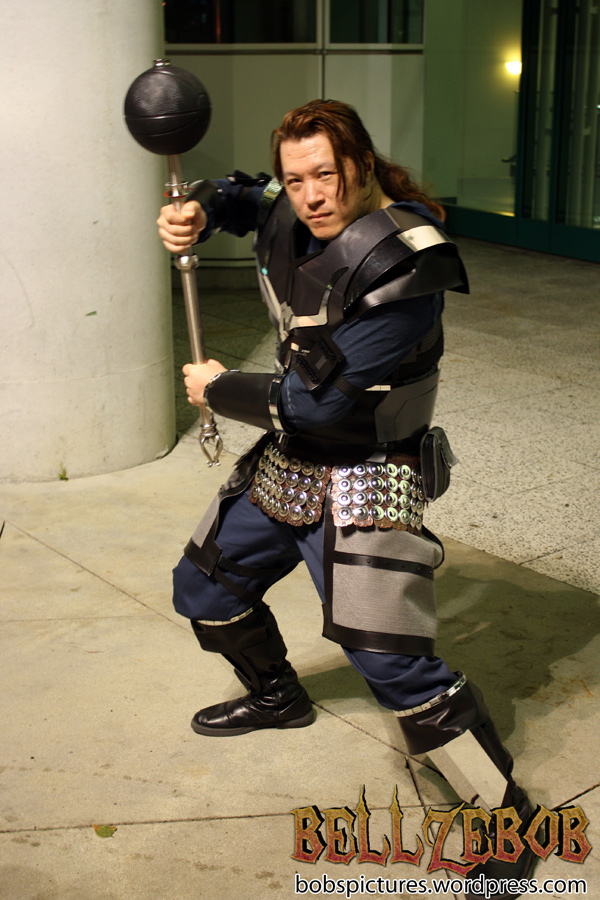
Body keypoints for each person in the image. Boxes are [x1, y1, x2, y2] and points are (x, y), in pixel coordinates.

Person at [157, 100, 534, 896]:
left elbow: (319, 404)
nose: (310, 195)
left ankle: (509, 822)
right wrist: (196, 211)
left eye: (325, 175)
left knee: (392, 664)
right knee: (205, 585)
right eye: (297, 179)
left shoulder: (407, 263)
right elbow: (242, 196)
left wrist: (218, 389)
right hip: (292, 461)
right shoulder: (290, 207)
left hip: (367, 468)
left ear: (359, 164)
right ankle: (277, 696)